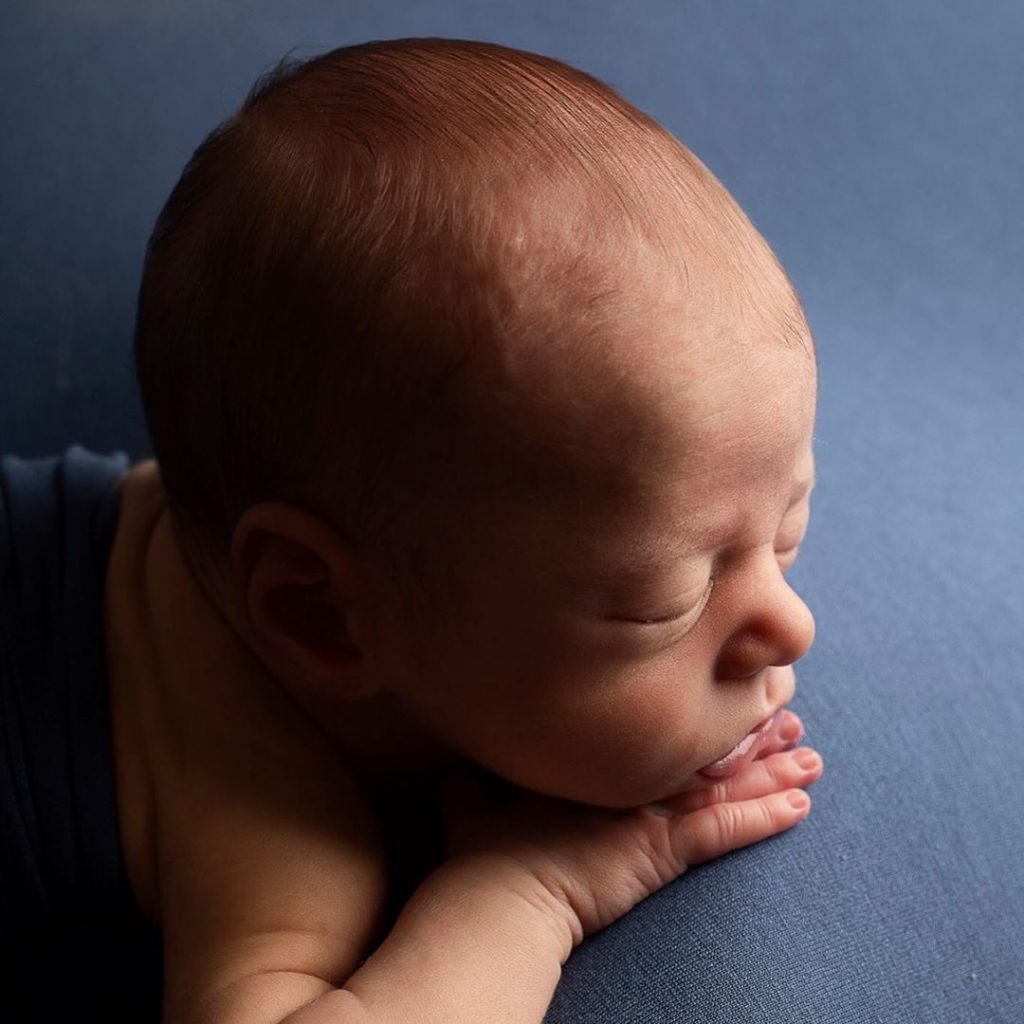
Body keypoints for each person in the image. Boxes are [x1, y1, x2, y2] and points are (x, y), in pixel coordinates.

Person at [1, 37, 825, 1022]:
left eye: (786, 520)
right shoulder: (272, 813)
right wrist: (523, 895)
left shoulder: (316, 509)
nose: (789, 623)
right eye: (666, 601)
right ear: (321, 614)